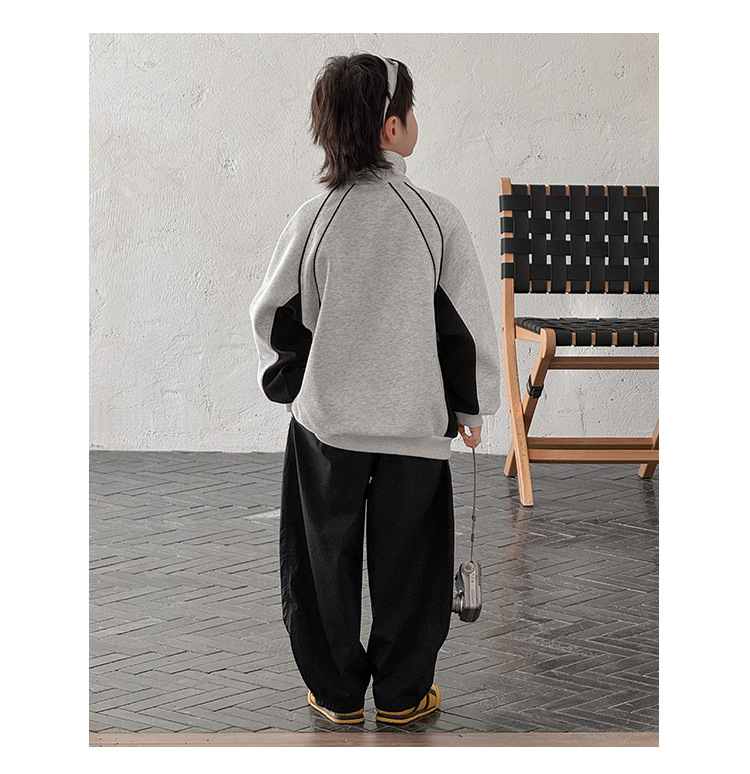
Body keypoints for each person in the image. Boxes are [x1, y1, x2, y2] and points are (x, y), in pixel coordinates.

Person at [249, 53, 502, 725]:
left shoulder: (314, 217)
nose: (415, 120)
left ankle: (336, 696)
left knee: (321, 562)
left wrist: (290, 382)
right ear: (392, 128)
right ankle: (403, 696)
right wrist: (471, 405)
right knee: (413, 566)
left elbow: (274, 314)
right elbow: (464, 323)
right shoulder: (436, 218)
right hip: (415, 429)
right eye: (410, 110)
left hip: (327, 430)